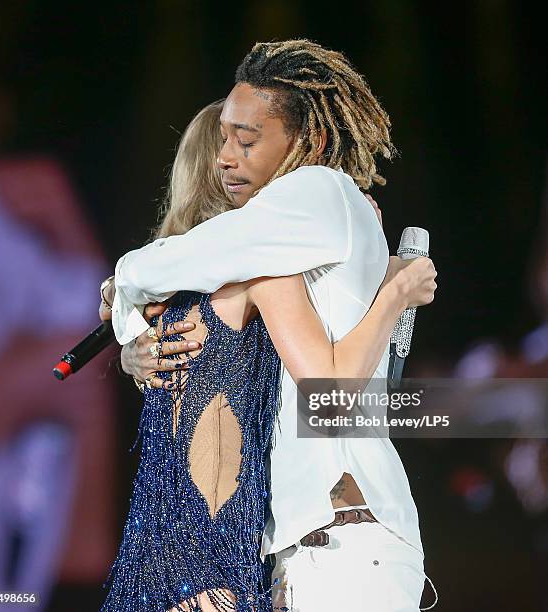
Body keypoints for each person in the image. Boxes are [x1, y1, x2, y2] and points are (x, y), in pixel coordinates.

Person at [107, 40, 438, 611]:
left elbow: (174, 261)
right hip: (313, 550)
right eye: (222, 141)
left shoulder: (315, 190)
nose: (226, 157)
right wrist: (130, 339)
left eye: (246, 139)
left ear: (308, 141)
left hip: (341, 545)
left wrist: (127, 281)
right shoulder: (295, 242)